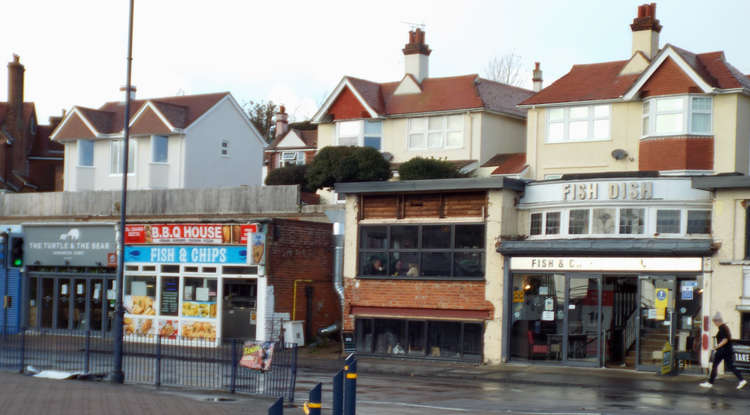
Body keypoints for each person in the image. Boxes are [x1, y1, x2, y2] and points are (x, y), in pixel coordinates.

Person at [700, 312, 747, 389]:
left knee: (715, 365)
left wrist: (717, 347)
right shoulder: (725, 327)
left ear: (718, 321)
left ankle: (710, 382)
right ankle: (742, 380)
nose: (714, 324)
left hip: (722, 350)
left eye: (714, 322)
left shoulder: (722, 328)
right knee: (730, 366)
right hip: (727, 350)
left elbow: (725, 340)